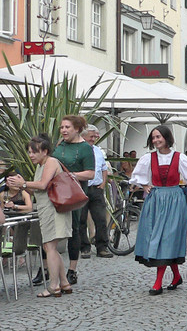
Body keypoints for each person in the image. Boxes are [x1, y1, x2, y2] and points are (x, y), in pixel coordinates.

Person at [130, 125, 187, 295]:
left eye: (158, 137)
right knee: (159, 238)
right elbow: (137, 176)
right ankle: (176, 276)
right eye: (153, 138)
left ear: (167, 137)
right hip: (155, 201)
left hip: (174, 200)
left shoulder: (179, 157)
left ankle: (158, 282)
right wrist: (145, 185)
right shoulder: (149, 158)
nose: (156, 140)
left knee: (167, 238)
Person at [7, 135, 72, 298]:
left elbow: (42, 185)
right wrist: (21, 185)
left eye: (34, 152)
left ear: (45, 151)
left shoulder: (51, 162)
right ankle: (64, 283)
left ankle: (54, 286)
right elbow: (38, 190)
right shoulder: (41, 165)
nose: (31, 155)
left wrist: (23, 184)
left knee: (49, 247)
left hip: (54, 210)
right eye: (29, 152)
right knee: (50, 247)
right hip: (47, 209)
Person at [52, 115, 95, 285]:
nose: (63, 130)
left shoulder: (85, 148)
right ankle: (47, 268)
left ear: (77, 129)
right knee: (50, 230)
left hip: (74, 194)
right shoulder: (59, 144)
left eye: (67, 127)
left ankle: (72, 270)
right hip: (56, 192)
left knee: (74, 229)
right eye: (62, 127)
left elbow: (90, 173)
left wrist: (72, 175)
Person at [82, 125, 112, 258]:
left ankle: (102, 247)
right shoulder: (79, 150)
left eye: (95, 136)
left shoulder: (98, 151)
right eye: (91, 136)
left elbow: (104, 168)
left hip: (96, 189)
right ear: (83, 136)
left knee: (100, 219)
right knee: (81, 220)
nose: (93, 139)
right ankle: (84, 248)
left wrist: (103, 183)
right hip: (82, 189)